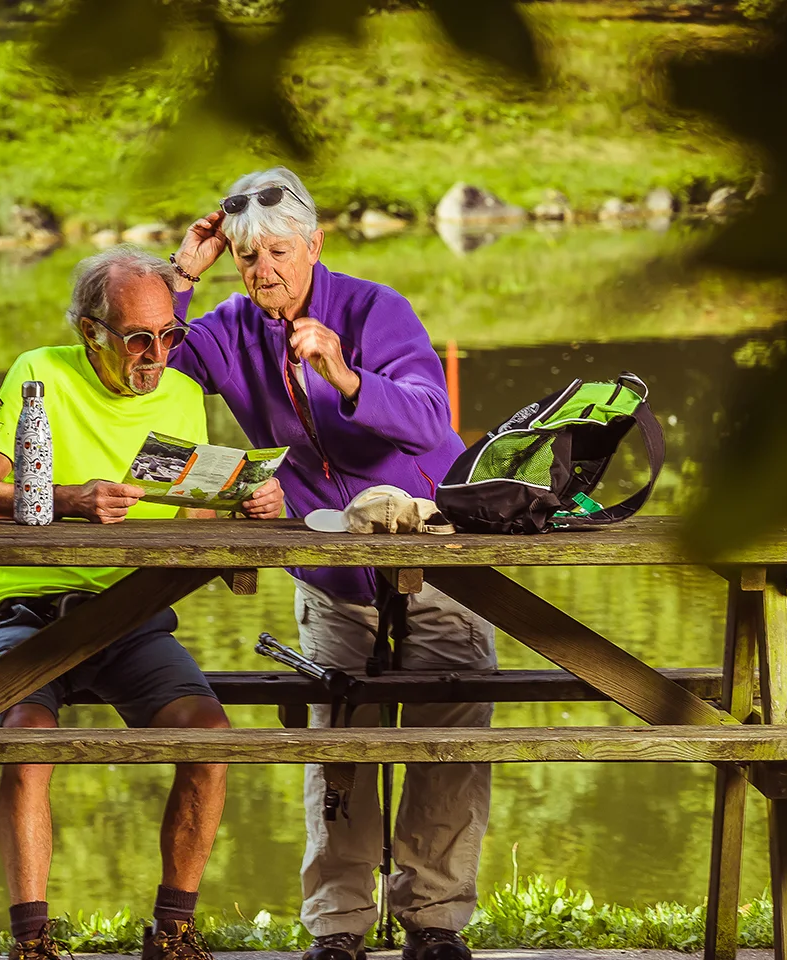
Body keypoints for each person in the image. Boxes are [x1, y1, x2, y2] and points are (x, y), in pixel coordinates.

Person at [164, 168, 496, 960]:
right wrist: (180, 277)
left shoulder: (375, 309)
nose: (263, 271)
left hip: (436, 558)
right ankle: (341, 927)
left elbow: (428, 418)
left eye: (278, 251)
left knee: (446, 746)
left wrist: (346, 375)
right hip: (332, 580)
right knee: (339, 750)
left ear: (314, 245)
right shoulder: (229, 329)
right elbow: (145, 379)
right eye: (247, 258)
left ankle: (437, 922)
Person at [0, 247, 285, 960]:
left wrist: (246, 504)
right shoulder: (39, 371)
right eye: (140, 337)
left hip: (130, 615)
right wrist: (69, 501)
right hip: (27, 608)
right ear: (90, 330)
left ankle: (173, 930)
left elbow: (189, 520)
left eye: (170, 335)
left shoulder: (182, 395)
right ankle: (33, 940)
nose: (157, 353)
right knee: (27, 737)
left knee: (210, 736)